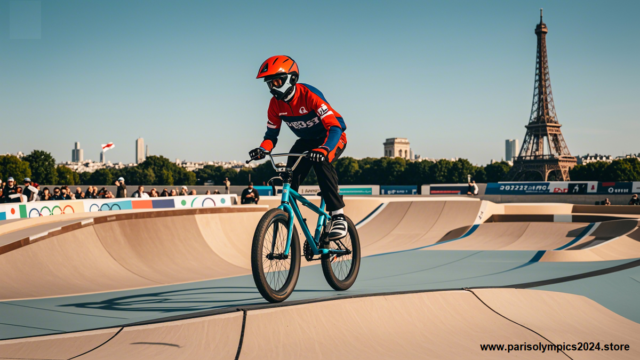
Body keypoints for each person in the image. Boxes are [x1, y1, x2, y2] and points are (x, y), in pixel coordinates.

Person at [249, 55, 348, 240]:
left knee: (322, 163)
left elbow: (335, 127)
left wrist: (325, 149)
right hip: (306, 140)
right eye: (269, 84)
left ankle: (338, 215)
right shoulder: (275, 105)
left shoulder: (309, 95)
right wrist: (262, 149)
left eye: (277, 82)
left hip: (332, 137)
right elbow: (271, 136)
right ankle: (288, 217)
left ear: (292, 78)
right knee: (289, 172)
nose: (272, 88)